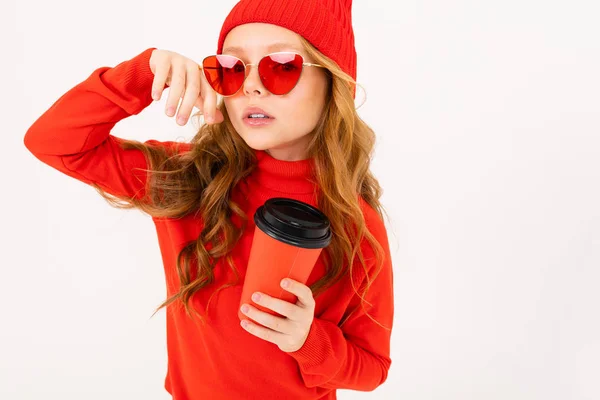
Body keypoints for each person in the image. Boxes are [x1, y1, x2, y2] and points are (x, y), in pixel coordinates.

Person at [23, 0, 395, 398]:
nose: (251, 85)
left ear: (334, 83)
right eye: (232, 69)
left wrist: (307, 340)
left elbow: (372, 369)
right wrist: (139, 74)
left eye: (282, 66)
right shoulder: (187, 179)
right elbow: (51, 142)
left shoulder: (355, 222)